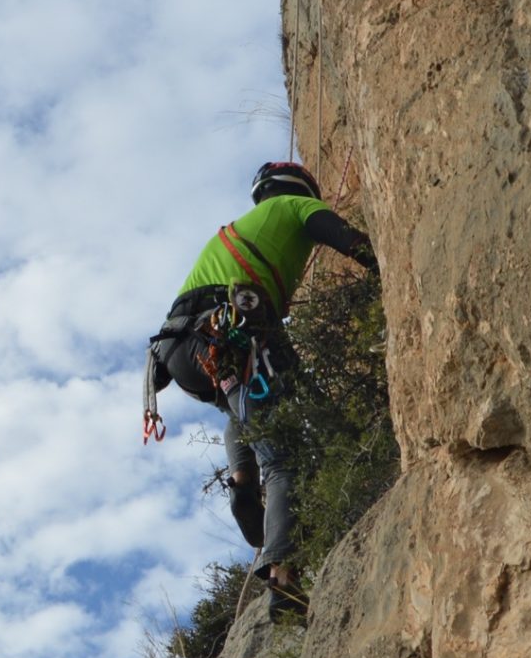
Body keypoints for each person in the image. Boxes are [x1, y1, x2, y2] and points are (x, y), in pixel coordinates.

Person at [141, 160, 376, 610]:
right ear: (299, 190)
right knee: (284, 460)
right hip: (228, 332)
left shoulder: (231, 234)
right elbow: (349, 242)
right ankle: (283, 576)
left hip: (180, 348)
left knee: (244, 406)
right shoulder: (295, 207)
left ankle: (242, 477)